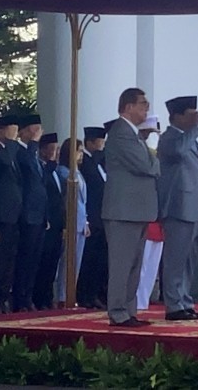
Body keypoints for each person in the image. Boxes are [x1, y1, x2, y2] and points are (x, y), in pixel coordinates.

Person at [103, 88, 160, 327]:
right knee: (122, 264)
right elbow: (146, 165)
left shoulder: (135, 135)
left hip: (135, 210)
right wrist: (154, 159)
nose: (146, 109)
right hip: (123, 211)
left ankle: (128, 310)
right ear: (127, 107)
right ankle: (117, 311)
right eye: (142, 104)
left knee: (135, 264)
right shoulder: (122, 132)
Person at [157, 96, 198, 321]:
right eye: (190, 114)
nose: (196, 118)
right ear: (177, 116)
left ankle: (185, 300)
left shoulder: (191, 141)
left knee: (189, 259)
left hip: (196, 209)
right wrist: (194, 130)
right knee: (175, 259)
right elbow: (177, 152)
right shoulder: (170, 138)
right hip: (179, 208)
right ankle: (173, 304)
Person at [12, 114, 48, 312]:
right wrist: (33, 142)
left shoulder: (33, 154)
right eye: (33, 130)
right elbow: (25, 168)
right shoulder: (20, 151)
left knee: (34, 260)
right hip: (26, 214)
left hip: (38, 214)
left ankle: (28, 296)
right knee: (24, 259)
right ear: (23, 131)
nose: (37, 134)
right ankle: (19, 299)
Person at [0, 114, 23, 314]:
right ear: (1, 130)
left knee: (10, 260)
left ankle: (4, 297)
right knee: (0, 261)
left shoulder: (11, 149)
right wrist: (10, 142)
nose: (15, 134)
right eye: (11, 129)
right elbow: (2, 164)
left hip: (14, 215)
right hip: (1, 215)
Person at [55, 138, 90, 308]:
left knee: (77, 260)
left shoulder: (78, 172)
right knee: (67, 260)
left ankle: (71, 294)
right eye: (78, 151)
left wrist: (86, 222)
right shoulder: (63, 171)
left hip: (81, 221)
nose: (81, 154)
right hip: (70, 221)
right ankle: (63, 295)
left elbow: (83, 200)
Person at [77, 125, 109, 309]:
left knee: (99, 260)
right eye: (100, 142)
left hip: (102, 218)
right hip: (93, 218)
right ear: (90, 143)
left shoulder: (99, 163)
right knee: (89, 260)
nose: (102, 146)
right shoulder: (86, 163)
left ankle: (95, 293)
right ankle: (85, 294)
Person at [32, 133, 64, 310]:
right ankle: (39, 297)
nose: (55, 153)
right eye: (52, 149)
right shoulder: (42, 169)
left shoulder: (55, 171)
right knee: (42, 262)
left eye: (57, 149)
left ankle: (47, 297)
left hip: (57, 224)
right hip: (46, 223)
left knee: (52, 262)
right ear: (43, 151)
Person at [135, 115, 164, 311]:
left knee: (152, 265)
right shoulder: (139, 150)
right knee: (142, 263)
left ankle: (143, 301)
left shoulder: (154, 153)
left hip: (157, 214)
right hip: (143, 213)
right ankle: (136, 301)